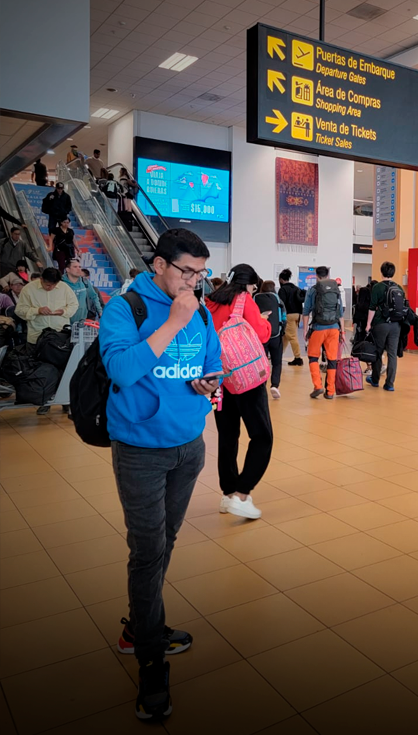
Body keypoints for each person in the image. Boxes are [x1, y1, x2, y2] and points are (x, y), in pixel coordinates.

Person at [97, 229, 221, 720]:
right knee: (147, 551)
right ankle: (150, 662)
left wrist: (207, 381)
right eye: (187, 271)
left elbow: (209, 363)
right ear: (159, 265)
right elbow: (122, 371)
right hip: (141, 451)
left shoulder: (202, 311)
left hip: (188, 446)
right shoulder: (126, 309)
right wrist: (173, 321)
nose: (195, 281)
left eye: (201, 272)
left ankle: (140, 626)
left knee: (164, 542)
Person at [204, 265, 272, 520]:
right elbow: (262, 334)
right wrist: (264, 321)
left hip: (219, 380)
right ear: (248, 284)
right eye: (254, 286)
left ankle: (227, 493)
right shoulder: (244, 301)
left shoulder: (211, 301)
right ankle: (242, 495)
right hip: (246, 381)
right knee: (262, 436)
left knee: (227, 435)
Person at [301, 266, 343, 399]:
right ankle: (330, 391)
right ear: (328, 274)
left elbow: (306, 311)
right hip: (334, 328)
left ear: (317, 275)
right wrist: (342, 330)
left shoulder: (313, 290)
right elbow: (340, 312)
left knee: (313, 356)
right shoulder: (336, 288)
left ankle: (318, 385)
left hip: (319, 327)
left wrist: (305, 329)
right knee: (332, 359)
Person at [367, 261, 404, 391]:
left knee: (378, 351)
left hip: (380, 324)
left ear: (381, 272)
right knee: (392, 354)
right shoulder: (399, 288)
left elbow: (372, 307)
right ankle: (390, 384)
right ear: (393, 273)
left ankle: (375, 380)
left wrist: (368, 324)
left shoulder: (377, 287)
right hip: (395, 325)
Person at [14, 266, 77, 343]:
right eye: (48, 285)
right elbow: (19, 310)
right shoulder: (28, 289)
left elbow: (74, 304)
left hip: (60, 334)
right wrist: (37, 311)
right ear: (41, 279)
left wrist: (64, 312)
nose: (51, 288)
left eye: (54, 285)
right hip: (37, 336)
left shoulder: (64, 287)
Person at [254, 281, 284, 399]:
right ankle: (275, 385)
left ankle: (262, 385)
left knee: (262, 362)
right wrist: (282, 330)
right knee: (277, 362)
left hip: (261, 337)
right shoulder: (277, 299)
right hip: (276, 335)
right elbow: (283, 315)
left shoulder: (255, 298)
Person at [277, 269, 304, 366]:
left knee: (292, 336)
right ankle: (278, 355)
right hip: (297, 314)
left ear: (280, 279)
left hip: (288, 315)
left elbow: (281, 304)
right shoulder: (295, 288)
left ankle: (298, 358)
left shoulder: (283, 290)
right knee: (285, 336)